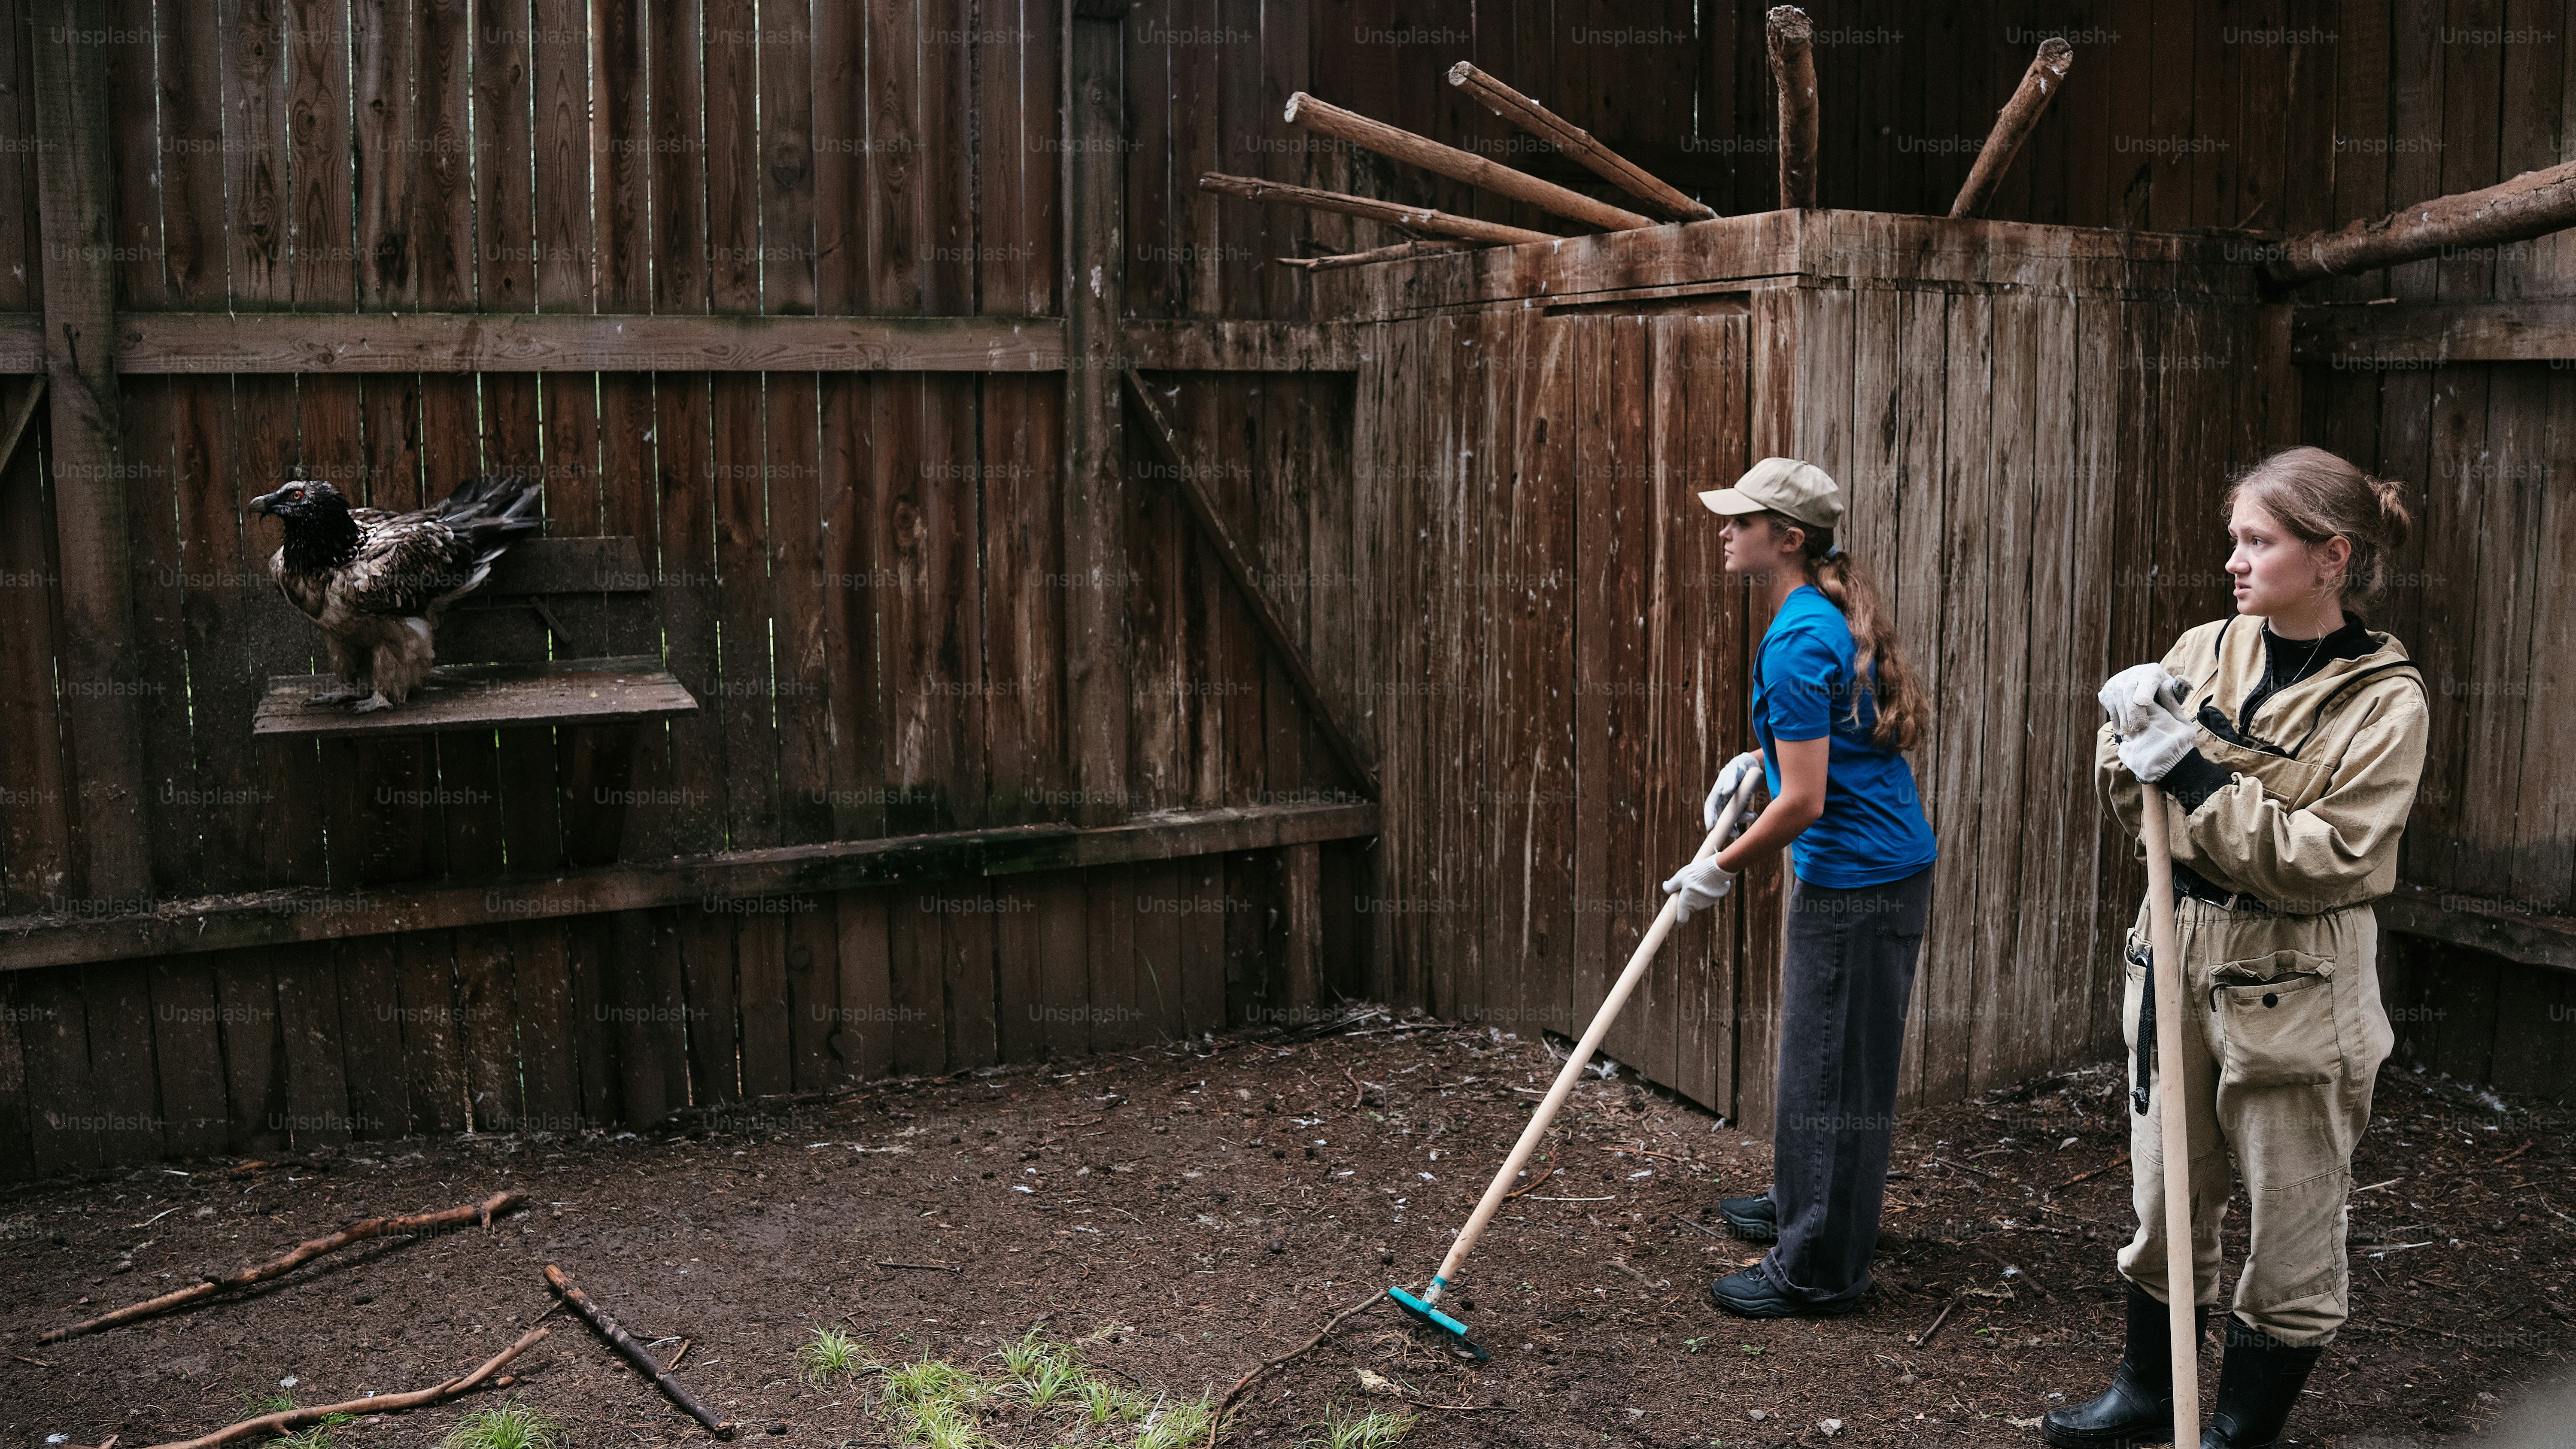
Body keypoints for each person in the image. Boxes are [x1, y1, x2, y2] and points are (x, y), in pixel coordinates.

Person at [2048, 445, 2428, 1449]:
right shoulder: (2203, 647)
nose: (2234, 560)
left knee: (2294, 1219)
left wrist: (2200, 782)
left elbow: (2328, 855)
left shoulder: (2385, 704)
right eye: (2235, 539)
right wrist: (2131, 742)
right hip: (2174, 945)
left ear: (2332, 555)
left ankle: (2235, 1432)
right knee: (2165, 1190)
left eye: (2258, 540)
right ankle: (2147, 1392)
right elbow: (2129, 802)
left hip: (2297, 975)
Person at [1661, 456, 1939, 1319]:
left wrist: (1720, 865)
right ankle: (1804, 1203)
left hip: (1860, 881)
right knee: (1821, 1061)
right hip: (1871, 870)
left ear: (1787, 538)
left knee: (1832, 1074)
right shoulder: (1817, 616)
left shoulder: (1795, 637)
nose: (1724, 531)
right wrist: (1758, 759)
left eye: (1741, 520)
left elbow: (1808, 800)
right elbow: (1831, 745)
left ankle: (1819, 1264)